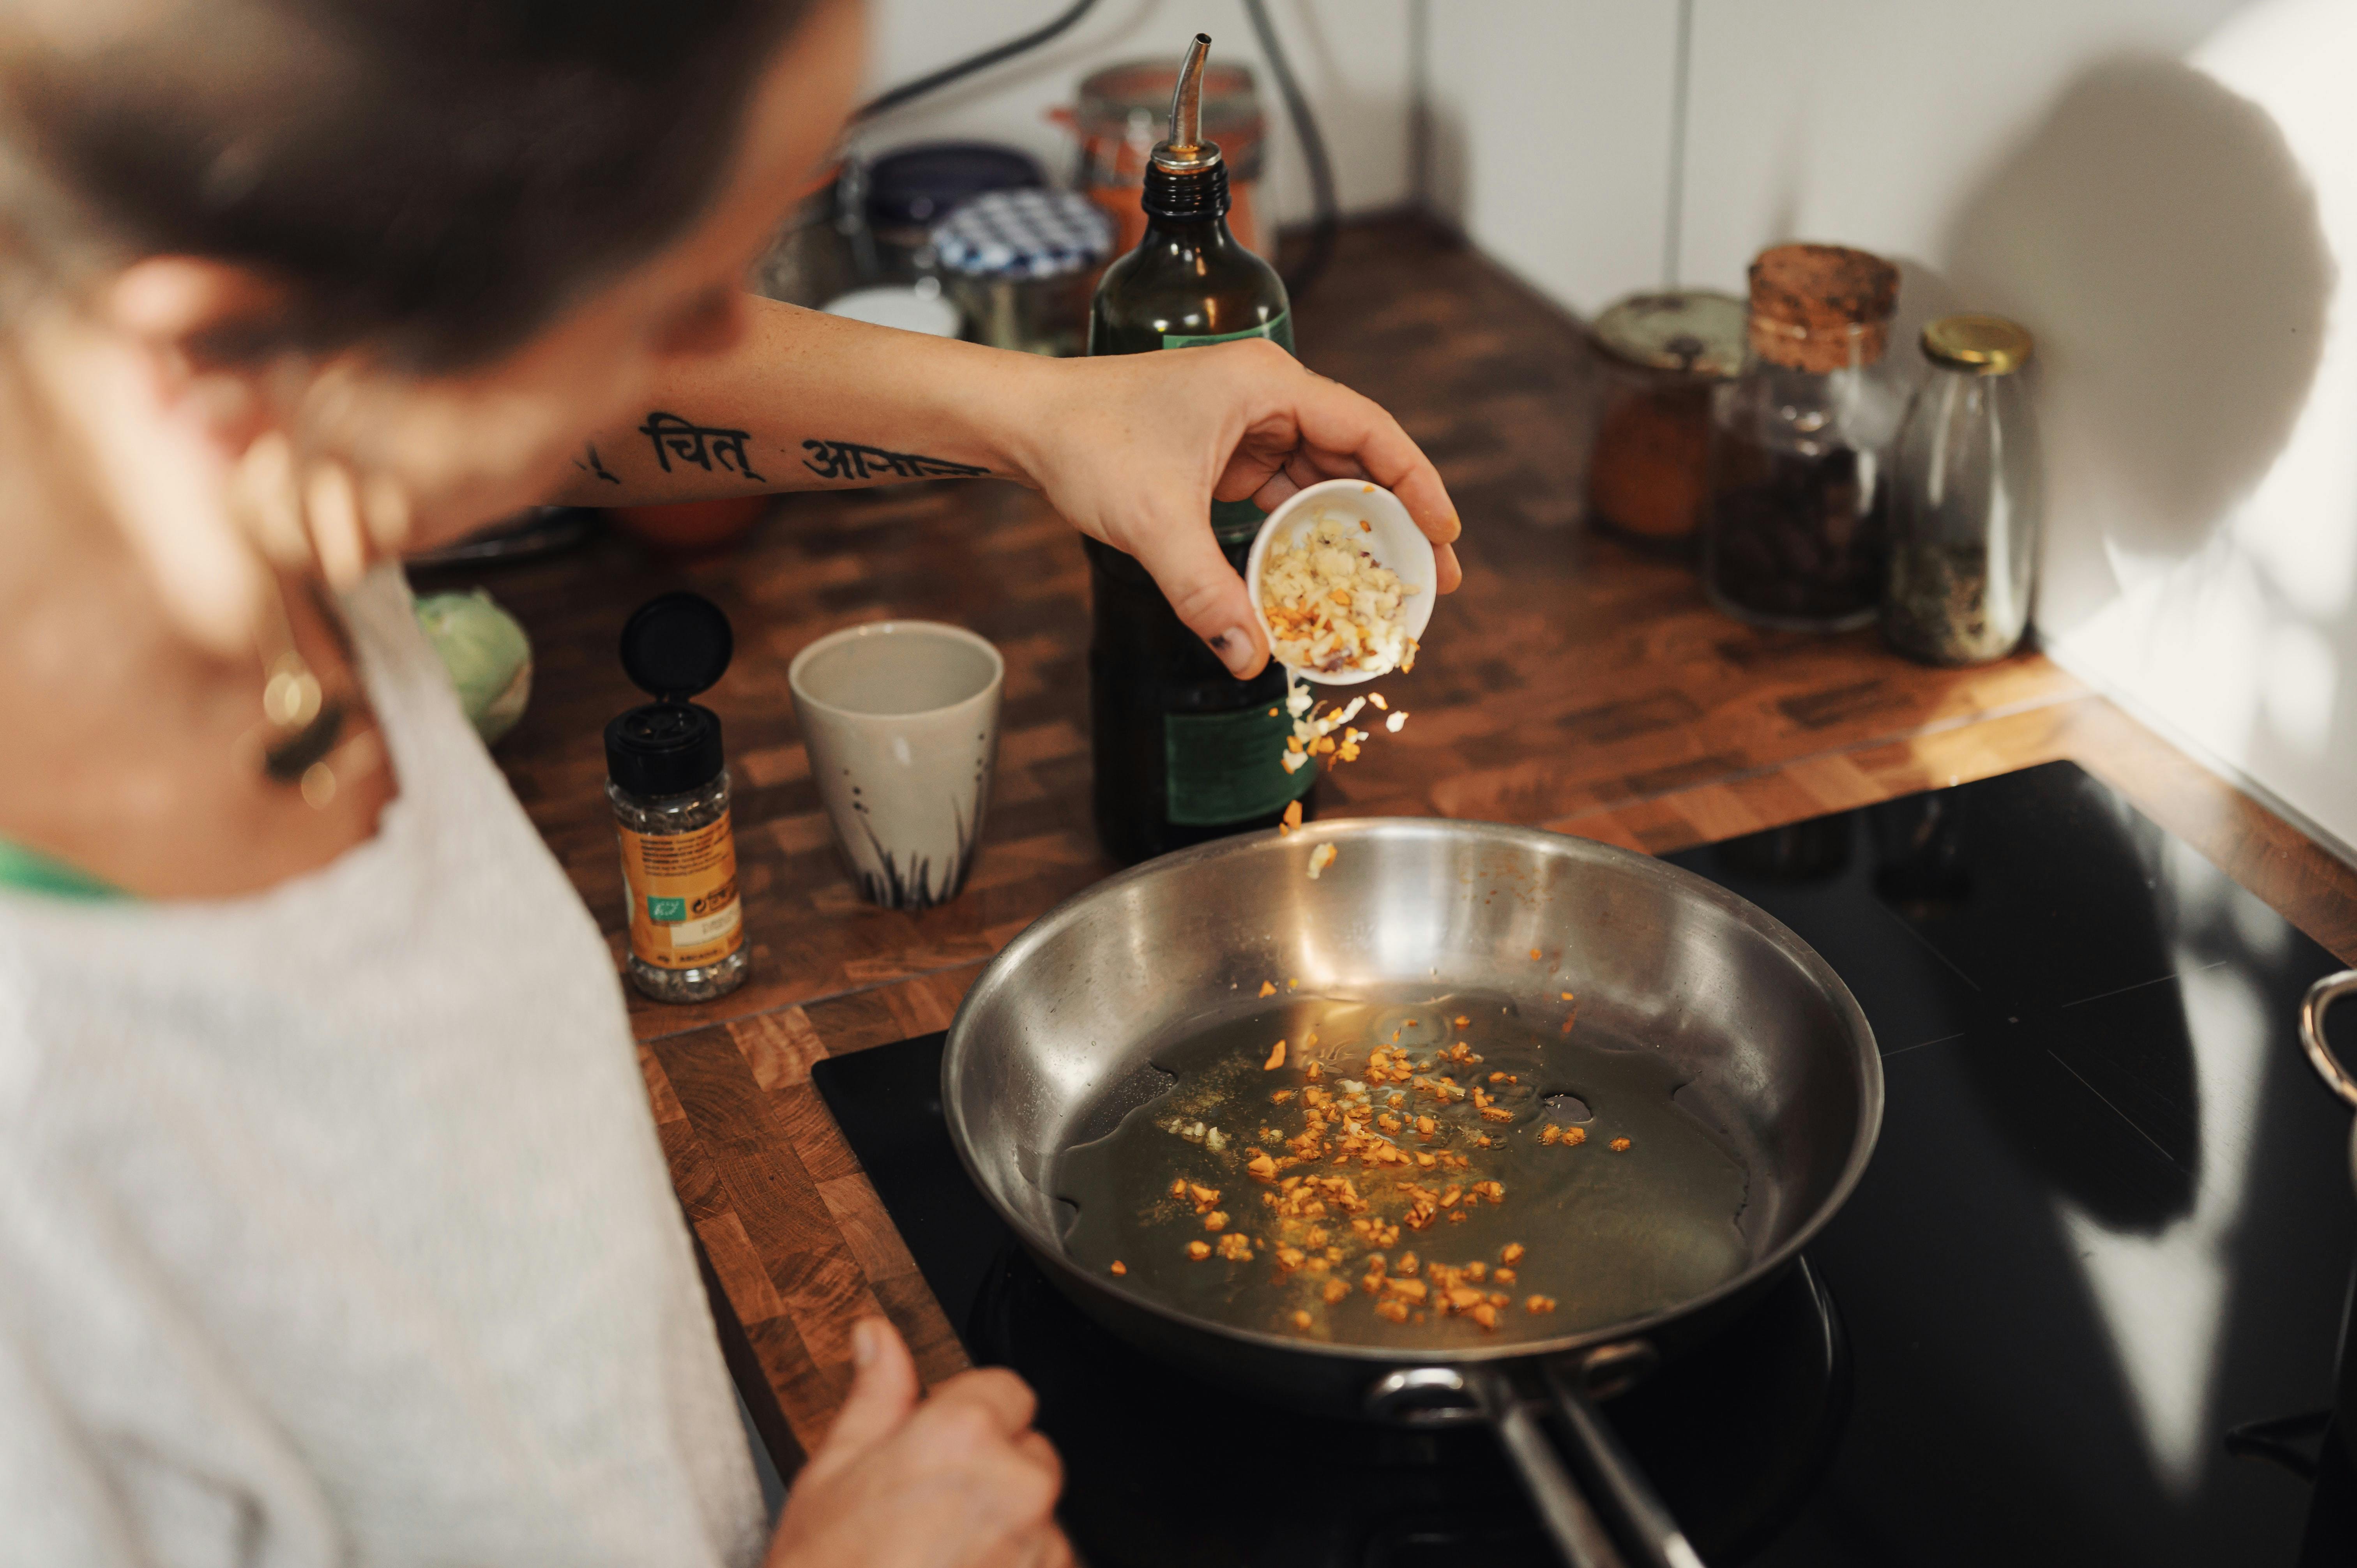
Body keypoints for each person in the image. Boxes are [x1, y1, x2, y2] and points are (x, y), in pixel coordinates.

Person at [0, 0, 1462, 1564]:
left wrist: (1050, 413)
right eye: (680, 295)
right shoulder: (48, 1137)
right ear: (224, 353)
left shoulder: (231, 504)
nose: (713, 358)